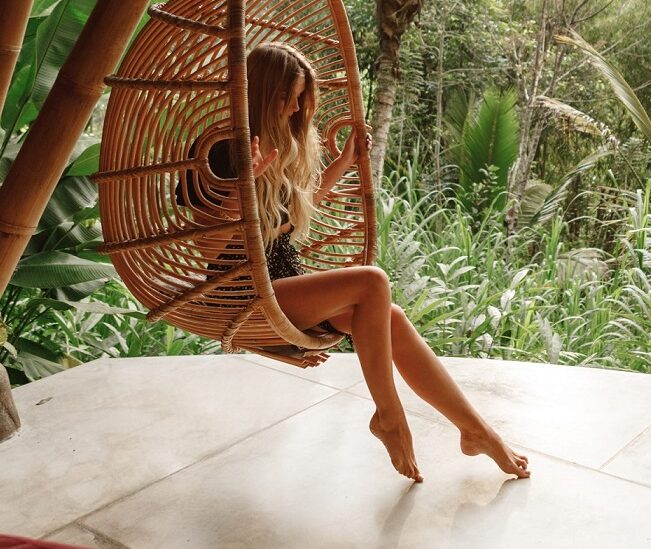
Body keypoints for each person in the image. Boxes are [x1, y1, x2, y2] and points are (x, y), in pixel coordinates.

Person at [179, 42, 528, 483]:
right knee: (373, 284)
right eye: (287, 98)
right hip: (240, 292)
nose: (292, 110)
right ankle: (389, 415)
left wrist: (343, 164)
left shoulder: (277, 146)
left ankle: (478, 433)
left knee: (391, 317)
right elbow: (208, 250)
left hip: (281, 283)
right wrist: (242, 186)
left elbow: (290, 216)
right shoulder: (221, 151)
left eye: (300, 100)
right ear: (264, 93)